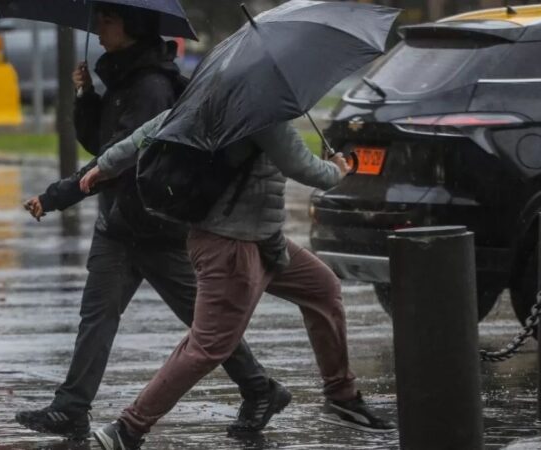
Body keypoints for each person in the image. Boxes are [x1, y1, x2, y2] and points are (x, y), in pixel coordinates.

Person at [15, 5, 287, 441]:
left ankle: (259, 387)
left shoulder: (151, 87)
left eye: (106, 20)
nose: (97, 28)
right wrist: (86, 96)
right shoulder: (124, 78)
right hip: (119, 226)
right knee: (97, 316)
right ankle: (71, 407)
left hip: (155, 226)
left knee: (206, 328)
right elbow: (100, 143)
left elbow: (120, 161)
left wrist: (57, 196)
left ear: (131, 27)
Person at [78, 111, 396, 450]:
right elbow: (304, 168)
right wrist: (338, 168)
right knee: (209, 345)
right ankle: (127, 429)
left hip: (263, 239)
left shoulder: (211, 100)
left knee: (322, 288)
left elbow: (146, 130)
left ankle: (341, 397)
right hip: (230, 245)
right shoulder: (262, 116)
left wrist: (106, 165)